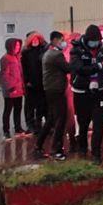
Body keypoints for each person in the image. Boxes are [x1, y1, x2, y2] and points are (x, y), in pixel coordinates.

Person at [69, 25, 103, 163]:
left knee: (98, 124)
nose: (96, 44)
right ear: (87, 40)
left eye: (98, 41)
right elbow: (80, 69)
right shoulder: (76, 50)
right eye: (93, 41)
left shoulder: (102, 47)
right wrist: (100, 66)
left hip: (99, 91)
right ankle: (82, 149)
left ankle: (96, 154)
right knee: (83, 124)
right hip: (81, 92)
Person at [35, 31, 71, 160]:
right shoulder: (56, 55)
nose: (63, 42)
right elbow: (68, 68)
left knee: (51, 119)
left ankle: (38, 144)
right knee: (60, 120)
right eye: (61, 40)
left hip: (50, 89)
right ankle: (57, 150)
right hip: (56, 90)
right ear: (55, 40)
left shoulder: (48, 53)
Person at [0, 38, 26, 141]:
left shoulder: (17, 58)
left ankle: (18, 128)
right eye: (16, 46)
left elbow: (20, 73)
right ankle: (6, 131)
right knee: (8, 109)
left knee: (18, 108)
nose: (17, 48)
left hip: (19, 88)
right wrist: (10, 87)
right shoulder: (5, 59)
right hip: (10, 90)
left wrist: (22, 86)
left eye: (19, 46)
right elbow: (5, 75)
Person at [21, 32, 48, 134]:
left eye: (37, 39)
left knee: (42, 104)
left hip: (42, 82)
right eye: (33, 40)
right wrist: (27, 80)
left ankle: (39, 123)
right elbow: (24, 68)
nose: (35, 42)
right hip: (31, 83)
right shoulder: (26, 53)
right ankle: (30, 124)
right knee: (30, 105)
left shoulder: (44, 50)